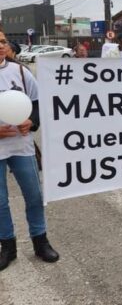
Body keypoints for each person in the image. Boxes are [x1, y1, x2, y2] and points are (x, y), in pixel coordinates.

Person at [0, 35, 59, 271]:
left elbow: (38, 102)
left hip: (21, 147)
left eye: (2, 41)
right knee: (0, 202)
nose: (1, 46)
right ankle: (7, 246)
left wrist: (31, 122)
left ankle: (40, 240)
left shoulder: (21, 72)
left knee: (34, 195)